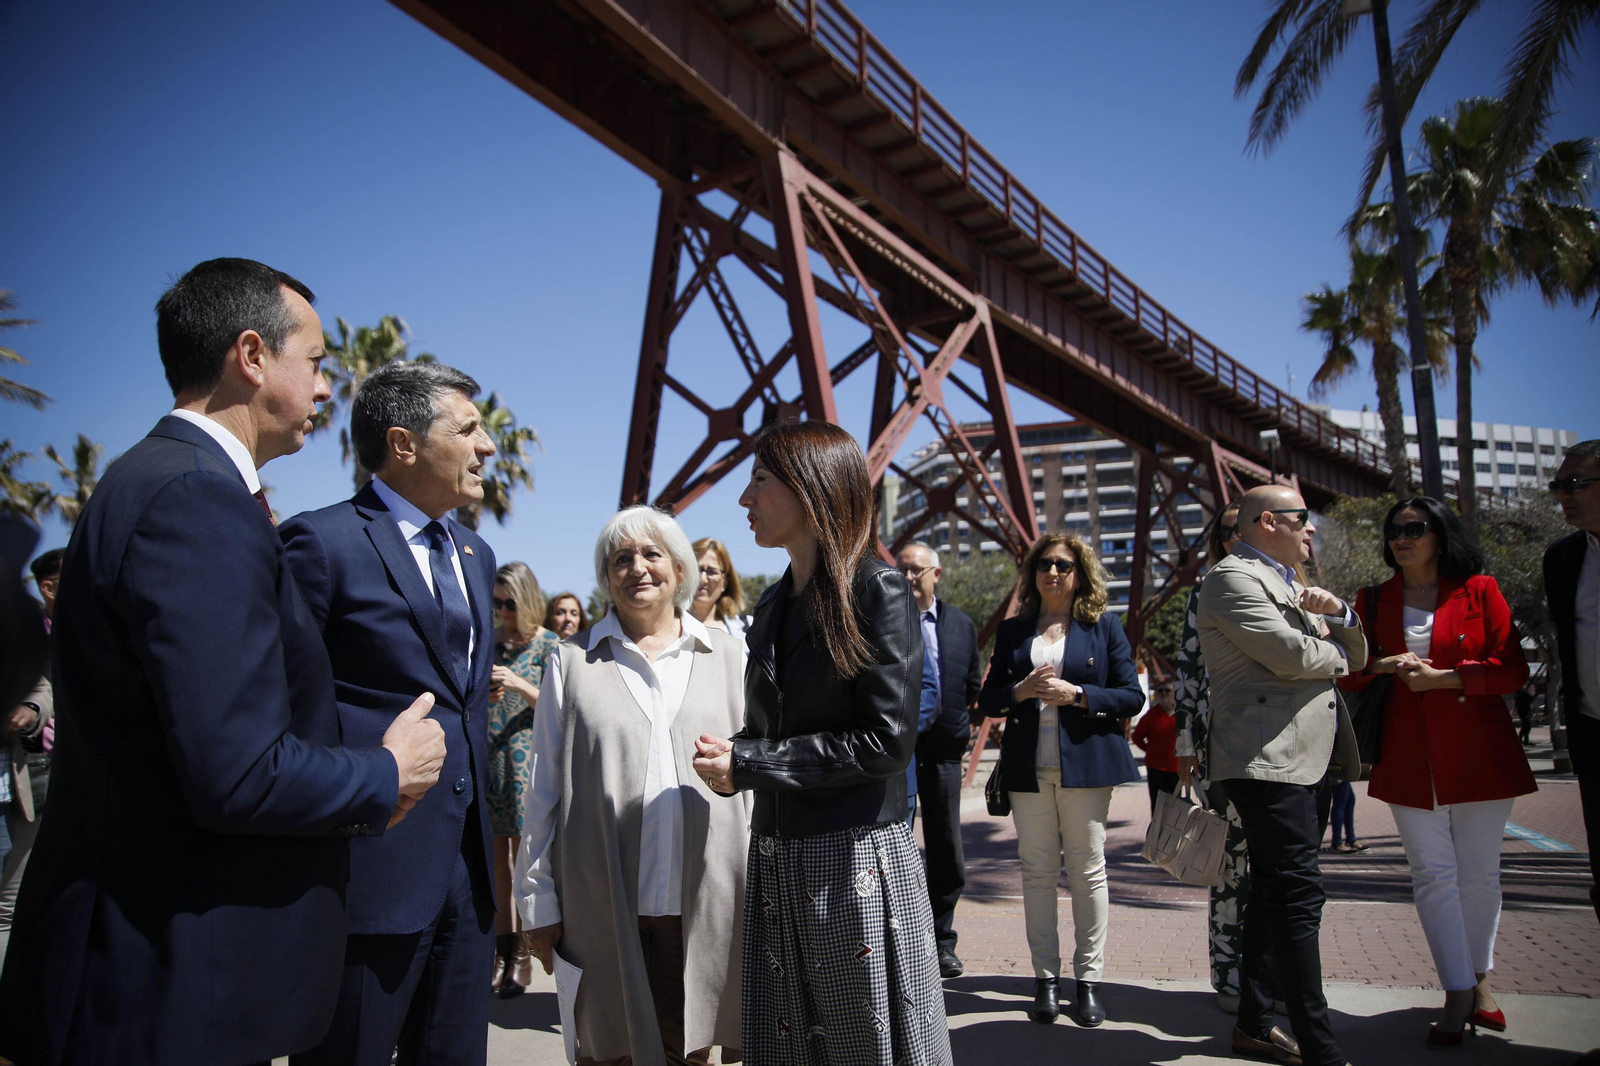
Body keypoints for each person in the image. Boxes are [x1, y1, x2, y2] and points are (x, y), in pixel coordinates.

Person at [0, 258, 445, 1066]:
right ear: (250, 356)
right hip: (159, 989)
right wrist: (386, 772)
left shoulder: (160, 481)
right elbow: (238, 771)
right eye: (314, 364)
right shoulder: (194, 499)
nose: (323, 391)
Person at [693, 420, 952, 1066]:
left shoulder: (878, 589)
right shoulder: (775, 604)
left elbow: (886, 743)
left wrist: (749, 761)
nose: (745, 500)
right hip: (779, 857)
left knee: (861, 1044)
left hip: (852, 859)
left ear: (811, 490)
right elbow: (775, 728)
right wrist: (734, 755)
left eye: (759, 481)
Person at [281, 360, 499, 1066]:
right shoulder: (322, 543)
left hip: (468, 876)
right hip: (369, 872)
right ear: (404, 444)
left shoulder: (476, 552)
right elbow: (286, 708)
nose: (488, 445)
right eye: (468, 428)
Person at [517, 505, 747, 1066]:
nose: (637, 569)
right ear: (606, 576)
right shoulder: (569, 664)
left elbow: (756, 778)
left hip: (699, 909)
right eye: (621, 559)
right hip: (600, 908)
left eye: (651, 555)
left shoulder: (729, 655)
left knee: (686, 1052)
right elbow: (543, 788)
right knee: (609, 1054)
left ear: (680, 569)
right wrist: (536, 899)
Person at [1341, 496, 1535, 1045]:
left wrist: (1446, 678)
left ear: (1440, 534)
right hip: (1407, 754)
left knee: (1479, 877)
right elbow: (1350, 673)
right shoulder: (1373, 600)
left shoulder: (1481, 590)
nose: (1403, 537)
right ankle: (1456, 990)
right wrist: (1382, 664)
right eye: (1395, 530)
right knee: (1432, 876)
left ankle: (1479, 981)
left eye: (1415, 528)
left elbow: (1513, 669)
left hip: (1480, 751)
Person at [1198, 484, 1363, 1066]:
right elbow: (1292, 656)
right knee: (1297, 895)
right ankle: (1322, 1047)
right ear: (1268, 521)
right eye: (1302, 519)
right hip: (1267, 759)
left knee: (1273, 891)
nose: (1310, 529)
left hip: (1307, 756)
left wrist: (1341, 615)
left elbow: (1353, 653)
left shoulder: (1292, 582)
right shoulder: (1232, 577)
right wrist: (1335, 650)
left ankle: (1254, 1024)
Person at [976, 532, 1144, 1028]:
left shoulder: (1104, 627)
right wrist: (1020, 691)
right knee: (1037, 873)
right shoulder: (1013, 632)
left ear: (1079, 575)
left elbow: (1130, 696)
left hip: (1087, 766)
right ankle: (1045, 980)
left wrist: (1079, 694)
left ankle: (1088, 981)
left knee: (1088, 872)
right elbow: (987, 701)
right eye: (1044, 564)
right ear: (1032, 573)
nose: (1053, 572)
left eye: (1064, 566)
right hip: (1029, 768)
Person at [1174, 504, 1254, 1013]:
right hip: (1221, 745)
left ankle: (1274, 976)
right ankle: (1228, 977)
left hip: (1288, 747)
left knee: (1279, 870)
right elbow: (1186, 670)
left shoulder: (1295, 586)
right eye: (1227, 531)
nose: (1234, 537)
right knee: (1228, 867)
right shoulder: (1204, 591)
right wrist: (1185, 747)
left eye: (1242, 527)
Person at [895, 540, 982, 979]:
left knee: (946, 849)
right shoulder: (886, 620)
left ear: (936, 574)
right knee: (898, 850)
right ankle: (906, 942)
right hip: (898, 756)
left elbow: (971, 684)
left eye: (917, 571)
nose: (909, 577)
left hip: (945, 752)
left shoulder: (961, 625)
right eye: (902, 570)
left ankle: (942, 941)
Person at [1545, 441, 1600, 1066]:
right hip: (1594, 734)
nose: (1563, 496)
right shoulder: (1562, 560)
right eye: (1557, 486)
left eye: (1575, 484)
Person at [484, 561, 559, 997]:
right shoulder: (488, 643)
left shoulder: (549, 645)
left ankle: (524, 960)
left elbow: (559, 706)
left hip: (528, 761)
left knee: (524, 863)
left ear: (526, 598)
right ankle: (501, 954)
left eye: (509, 603)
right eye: (495, 603)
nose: (501, 612)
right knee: (497, 864)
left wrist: (516, 684)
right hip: (491, 757)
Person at [0, 549, 61, 963]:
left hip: (29, 779)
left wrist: (32, 709)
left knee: (14, 900)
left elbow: (42, 686)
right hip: (28, 774)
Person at [1132, 679, 1179, 812]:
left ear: (1174, 693)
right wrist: (1150, 750)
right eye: (1160, 691)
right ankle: (1157, 833)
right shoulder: (1151, 715)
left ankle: (1175, 832)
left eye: (1167, 690)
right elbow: (1136, 737)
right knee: (1158, 805)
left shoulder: (1181, 713)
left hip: (1177, 768)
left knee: (1178, 804)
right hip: (1156, 767)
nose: (1164, 694)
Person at [690, 536, 746, 637]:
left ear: (725, 583)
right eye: (697, 569)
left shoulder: (747, 630)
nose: (702, 579)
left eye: (712, 572)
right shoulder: (661, 626)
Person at [1325, 781, 1367, 854]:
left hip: (1343, 773)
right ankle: (1337, 842)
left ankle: (1350, 839)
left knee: (1350, 801)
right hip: (1338, 772)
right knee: (1340, 801)